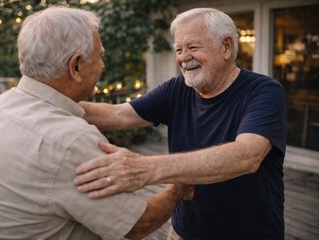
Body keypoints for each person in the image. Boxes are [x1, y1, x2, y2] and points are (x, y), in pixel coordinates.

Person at [0, 6, 193, 240]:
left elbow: (114, 114)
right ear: (76, 66)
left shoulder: (2, 104)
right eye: (99, 56)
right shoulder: (71, 140)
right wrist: (180, 185)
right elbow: (139, 224)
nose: (102, 64)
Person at [74, 8, 287, 240]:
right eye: (178, 49)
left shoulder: (263, 91)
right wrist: (50, 99)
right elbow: (117, 114)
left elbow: (247, 155)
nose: (183, 57)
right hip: (183, 232)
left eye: (193, 47)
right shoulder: (177, 89)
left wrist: (147, 168)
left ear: (226, 47)